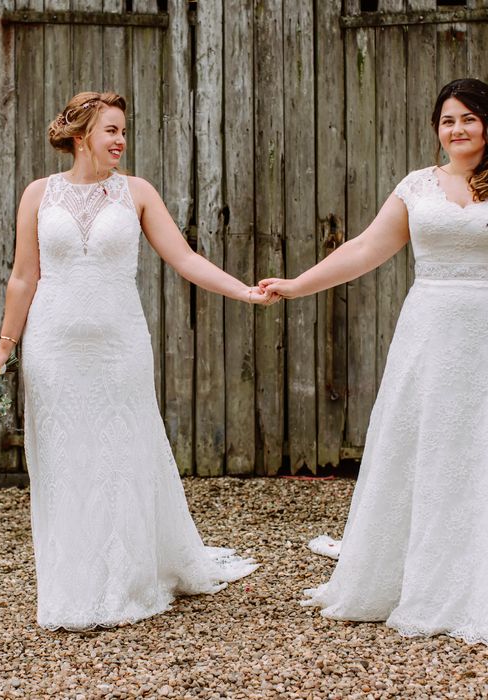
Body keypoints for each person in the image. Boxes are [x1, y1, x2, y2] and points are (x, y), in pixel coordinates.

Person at [0, 91, 272, 630]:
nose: (120, 141)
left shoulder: (136, 193)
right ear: (80, 135)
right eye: (111, 130)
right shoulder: (38, 195)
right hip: (54, 346)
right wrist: (5, 345)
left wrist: (244, 292)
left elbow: (184, 258)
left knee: (121, 452)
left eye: (123, 131)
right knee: (66, 458)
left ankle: (124, 579)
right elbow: (25, 275)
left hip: (120, 346)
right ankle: (72, 581)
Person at [260, 78, 488, 645]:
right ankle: (414, 574)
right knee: (428, 443)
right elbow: (364, 249)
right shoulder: (417, 185)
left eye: (468, 118)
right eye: (447, 120)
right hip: (431, 331)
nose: (456, 129)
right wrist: (297, 284)